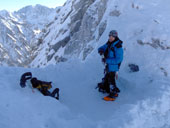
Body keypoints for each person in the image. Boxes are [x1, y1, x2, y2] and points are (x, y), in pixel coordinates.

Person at [98, 30, 123, 101]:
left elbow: (119, 59)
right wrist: (101, 50)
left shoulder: (118, 47)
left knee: (111, 79)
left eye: (112, 36)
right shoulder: (109, 43)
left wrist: (107, 60)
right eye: (110, 36)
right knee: (107, 76)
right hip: (108, 65)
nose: (110, 37)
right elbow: (102, 47)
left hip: (113, 66)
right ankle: (104, 87)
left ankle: (113, 94)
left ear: (115, 37)